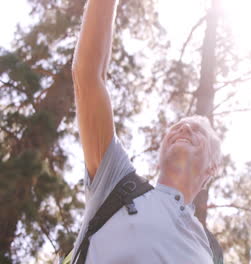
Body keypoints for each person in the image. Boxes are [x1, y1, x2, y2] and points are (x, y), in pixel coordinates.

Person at [70, 0, 222, 263]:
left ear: (212, 168)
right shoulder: (116, 181)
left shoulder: (211, 250)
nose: (183, 128)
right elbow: (88, 76)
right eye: (175, 128)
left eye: (198, 131)